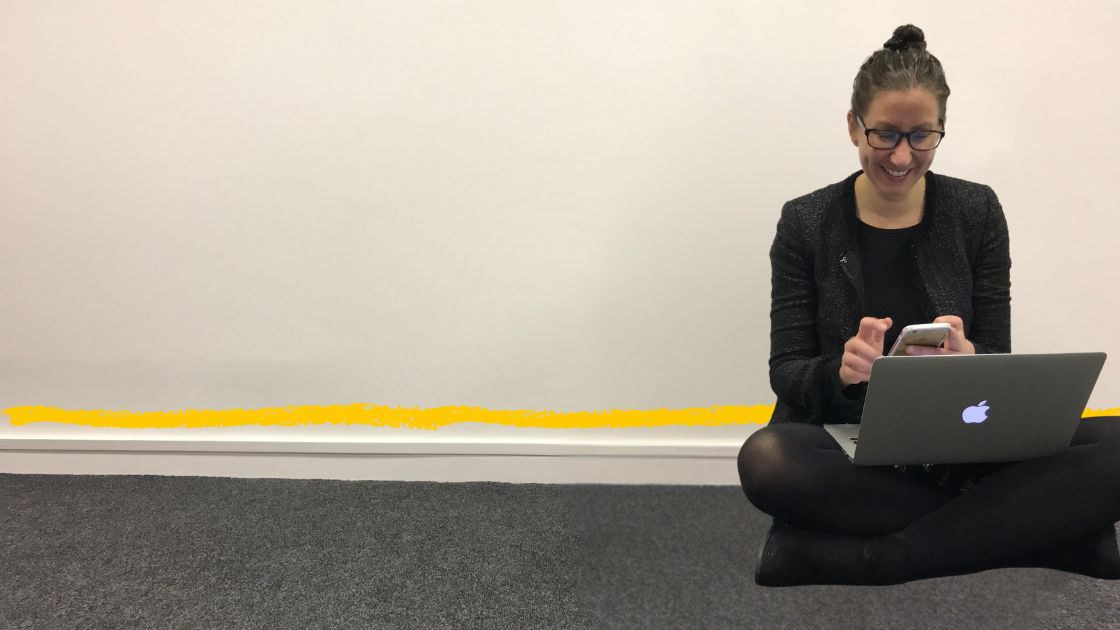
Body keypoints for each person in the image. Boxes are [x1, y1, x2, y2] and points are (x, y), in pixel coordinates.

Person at [737, 24, 1120, 586]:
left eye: (922, 136)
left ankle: (885, 557)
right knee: (768, 459)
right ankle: (1049, 535)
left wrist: (972, 361)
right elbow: (787, 369)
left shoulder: (975, 209)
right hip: (848, 443)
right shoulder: (806, 220)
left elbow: (998, 352)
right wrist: (841, 372)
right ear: (853, 125)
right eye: (885, 135)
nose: (901, 155)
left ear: (941, 129)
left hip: (962, 442)